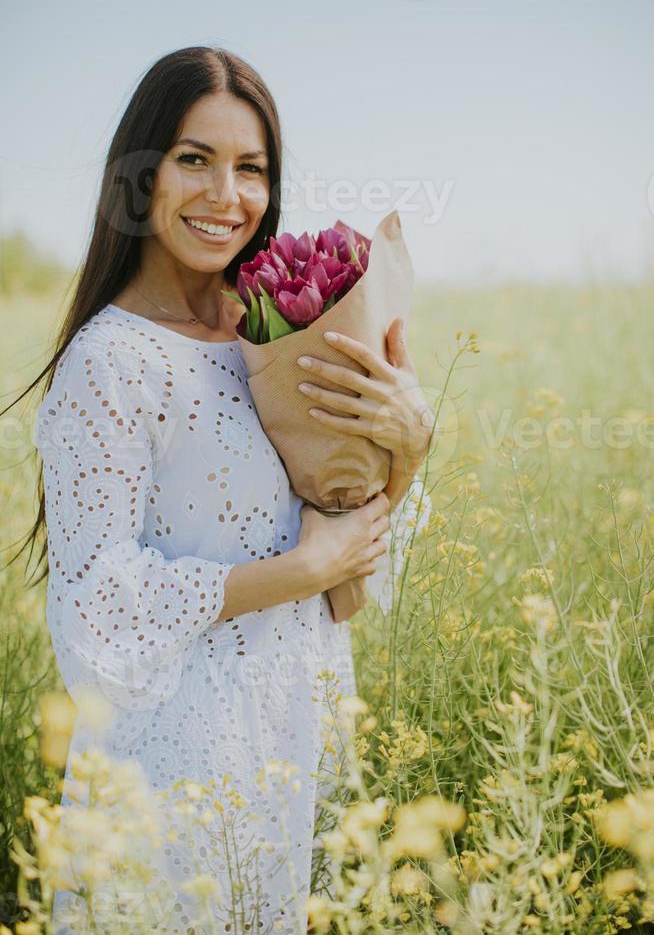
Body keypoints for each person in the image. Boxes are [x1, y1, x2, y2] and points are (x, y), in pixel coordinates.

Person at [19, 46, 433, 933]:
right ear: (140, 174)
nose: (225, 196)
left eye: (252, 168)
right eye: (193, 160)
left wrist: (411, 444)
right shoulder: (111, 362)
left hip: (292, 739)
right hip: (174, 763)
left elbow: (355, 533)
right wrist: (299, 569)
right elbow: (95, 609)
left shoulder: (283, 331)